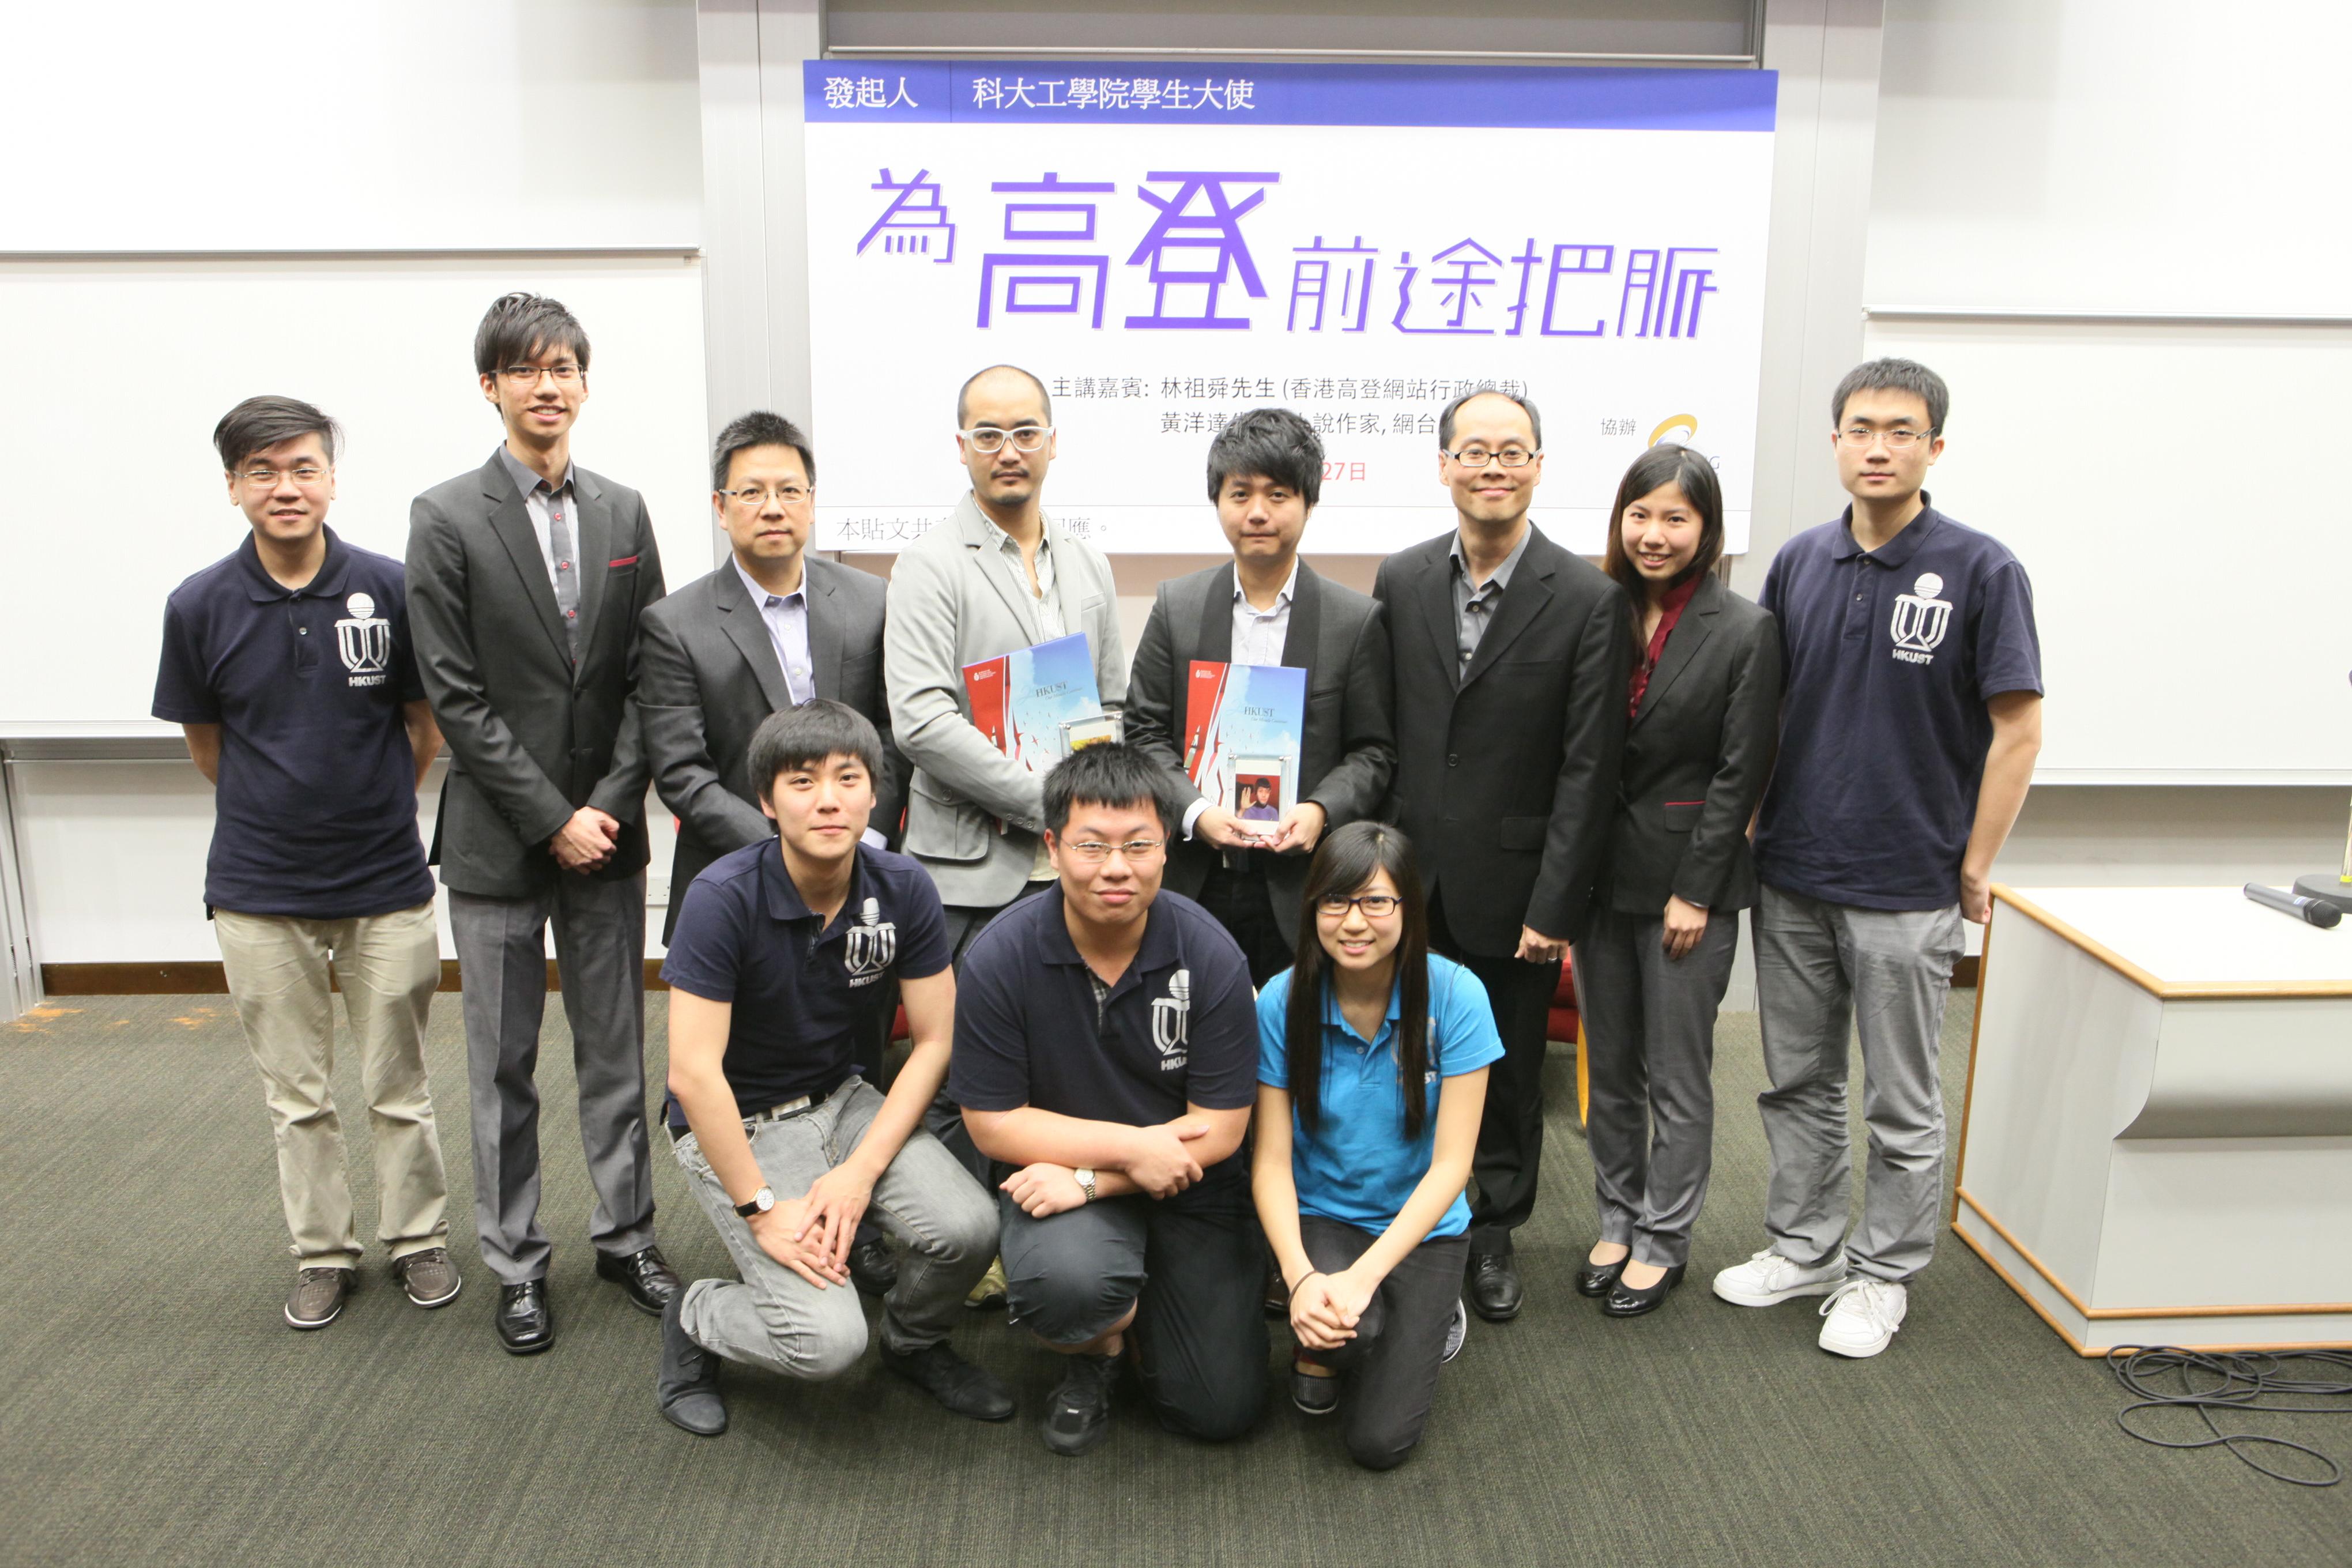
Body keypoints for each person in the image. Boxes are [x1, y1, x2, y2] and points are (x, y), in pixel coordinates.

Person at [1712, 358, 2042, 1358]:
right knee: (1796, 1081)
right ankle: (1805, 1244)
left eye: (1902, 430)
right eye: (1862, 428)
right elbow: (1766, 713)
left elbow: (2018, 730)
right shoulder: (1801, 562)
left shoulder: (1983, 569)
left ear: (1934, 446)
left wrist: (1976, 864)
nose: (1879, 446)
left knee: (1903, 1097)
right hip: (1796, 874)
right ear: (1836, 441)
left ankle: (1882, 1273)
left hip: (1909, 882)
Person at [406, 292, 677, 1354]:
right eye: (526, 369)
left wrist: (603, 808)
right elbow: (455, 694)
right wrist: (550, 816)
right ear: (492, 386)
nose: (548, 385)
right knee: (503, 1063)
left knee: (616, 1052)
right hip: (497, 844)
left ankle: (627, 1237)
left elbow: (650, 677)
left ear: (584, 382)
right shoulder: (446, 515)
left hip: (605, 841)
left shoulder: (623, 510)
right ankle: (517, 1262)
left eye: (564, 366)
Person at [154, 395, 457, 1331]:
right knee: (297, 1096)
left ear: (330, 477)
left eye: (302, 468)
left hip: (386, 885)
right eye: (263, 471)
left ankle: (419, 1241)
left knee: (399, 1083)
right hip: (257, 892)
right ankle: (324, 1254)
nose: (285, 488)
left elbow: (424, 727)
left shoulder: (392, 587)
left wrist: (368, 808)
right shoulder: (199, 605)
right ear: (235, 486)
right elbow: (210, 747)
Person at [652, 702, 1009, 1437]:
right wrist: (761, 1208)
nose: (828, 798)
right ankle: (695, 1316)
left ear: (874, 792)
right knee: (826, 1342)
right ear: (766, 800)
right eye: (802, 781)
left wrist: (859, 1170)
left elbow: (937, 1039)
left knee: (971, 1228)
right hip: (742, 1123)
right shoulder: (722, 897)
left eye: (848, 777)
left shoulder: (902, 885)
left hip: (845, 1101)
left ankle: (913, 1342)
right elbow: (692, 1074)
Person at [1372, 389, 1633, 1322]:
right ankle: (1405, 1215)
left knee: (1509, 1069)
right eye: (1475, 450)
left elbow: (1589, 766)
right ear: (1444, 465)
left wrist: (1555, 904)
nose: (1493, 466)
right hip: (1406, 885)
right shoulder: (1400, 580)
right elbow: (1386, 735)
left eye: (1512, 451)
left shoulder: (1589, 598)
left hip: (1517, 889)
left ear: (1538, 467)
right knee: (1400, 1055)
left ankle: (1492, 1231)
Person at [638, 411, 907, 1296]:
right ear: (721, 507)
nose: (772, 506)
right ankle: (760, 1206)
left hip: (861, 876)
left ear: (813, 500)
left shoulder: (867, 601)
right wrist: (798, 845)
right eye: (751, 492)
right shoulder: (676, 623)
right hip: (739, 881)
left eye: (789, 489)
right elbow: (682, 773)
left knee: (858, 1047)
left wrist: (858, 839)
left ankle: (855, 1219)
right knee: (744, 1063)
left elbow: (893, 748)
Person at [884, 364, 1126, 1305]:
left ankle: (1031, 1249)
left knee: (1057, 1068)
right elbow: (920, 719)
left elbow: (1108, 701)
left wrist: (1089, 822)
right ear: (961, 448)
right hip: (967, 872)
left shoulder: (1089, 562)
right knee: (951, 1073)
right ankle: (944, 1257)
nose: (1008, 450)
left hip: (1066, 873)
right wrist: (1048, 803)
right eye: (987, 434)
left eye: (1025, 431)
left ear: (1054, 440)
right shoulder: (933, 561)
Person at [950, 744, 1267, 1456]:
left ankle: (1152, 1304)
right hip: (1063, 1180)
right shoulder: (1000, 956)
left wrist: (1094, 1177)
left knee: (1222, 1410)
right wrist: (1130, 1150)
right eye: (1092, 845)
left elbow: (1219, 1132)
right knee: (1066, 1286)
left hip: (1186, 1183)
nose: (1116, 867)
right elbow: (993, 1122)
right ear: (1054, 846)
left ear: (1165, 849)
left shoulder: (1210, 952)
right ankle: (1098, 1350)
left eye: (1139, 845)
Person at [1571, 445, 1781, 1319]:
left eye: (1675, 517)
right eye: (1640, 515)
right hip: (1597, 881)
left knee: (1678, 1074)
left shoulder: (1744, 628)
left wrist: (1696, 890)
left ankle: (1665, 1238)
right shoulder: (1596, 613)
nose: (1654, 535)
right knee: (1611, 1069)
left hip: (1687, 888)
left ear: (1706, 528)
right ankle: (1618, 1216)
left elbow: (1743, 771)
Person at [1254, 823, 1499, 1469]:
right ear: (1313, 909)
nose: (1353, 922)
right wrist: (1302, 1277)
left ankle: (1433, 1307)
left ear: (1408, 908)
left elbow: (1454, 1165)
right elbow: (1272, 1161)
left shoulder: (1457, 996)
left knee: (1378, 1443)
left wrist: (1364, 1277)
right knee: (1344, 1328)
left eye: (1376, 901)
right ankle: (1325, 1344)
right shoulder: (1283, 1000)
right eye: (1335, 901)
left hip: (1424, 1226)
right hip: (1325, 1214)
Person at [1125, 406, 1395, 984]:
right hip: (1197, 872)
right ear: (1217, 500)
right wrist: (1197, 812)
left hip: (1304, 881)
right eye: (1240, 493)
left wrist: (1319, 811)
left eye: (1278, 495)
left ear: (1309, 502)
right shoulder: (1179, 606)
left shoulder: (1355, 620)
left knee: (1293, 1047)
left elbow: (1373, 750)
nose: (1257, 512)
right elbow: (1144, 730)